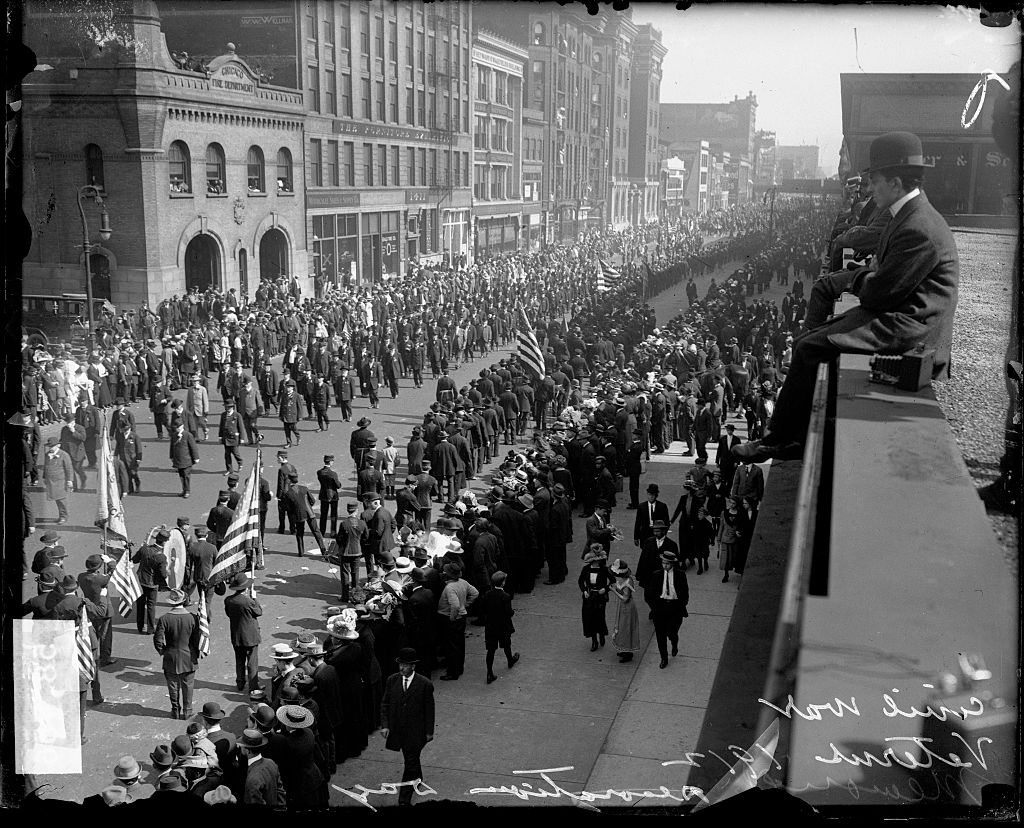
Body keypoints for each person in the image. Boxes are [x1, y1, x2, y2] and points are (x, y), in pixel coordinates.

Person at [737, 131, 959, 463]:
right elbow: (881, 280)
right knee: (809, 339)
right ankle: (789, 436)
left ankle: (782, 440)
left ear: (896, 183)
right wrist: (872, 276)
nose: (870, 188)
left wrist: (864, 278)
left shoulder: (918, 227)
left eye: (876, 181)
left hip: (912, 329)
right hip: (904, 313)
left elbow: (878, 293)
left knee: (808, 347)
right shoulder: (911, 216)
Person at [380, 648, 435, 807]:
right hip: (398, 731)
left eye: (405, 665)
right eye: (400, 664)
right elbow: (385, 703)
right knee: (411, 759)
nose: (401, 668)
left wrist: (429, 732)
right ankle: (418, 778)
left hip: (416, 732)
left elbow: (429, 710)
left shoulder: (424, 684)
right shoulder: (392, 680)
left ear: (413, 666)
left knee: (410, 761)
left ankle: (404, 798)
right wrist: (385, 725)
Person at [153, 588, 201, 720]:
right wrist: (196, 652)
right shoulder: (192, 618)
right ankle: (187, 711)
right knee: (188, 685)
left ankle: (175, 710)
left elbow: (158, 640)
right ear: (184, 601)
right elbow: (197, 639)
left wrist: (163, 651)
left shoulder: (164, 619)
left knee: (173, 685)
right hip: (188, 656)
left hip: (171, 655)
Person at [643, 551, 689, 669]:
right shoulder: (656, 575)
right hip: (660, 607)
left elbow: (685, 593)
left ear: (672, 564)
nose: (665, 566)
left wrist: (681, 605)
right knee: (660, 635)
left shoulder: (680, 575)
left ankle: (674, 643)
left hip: (675, 607)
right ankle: (664, 657)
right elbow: (649, 593)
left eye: (667, 564)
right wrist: (654, 607)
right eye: (663, 563)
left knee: (672, 632)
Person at [475, 570, 520, 684]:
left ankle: (489, 673)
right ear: (503, 583)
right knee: (506, 645)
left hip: (491, 626)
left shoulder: (487, 594)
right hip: (503, 626)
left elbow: (483, 608)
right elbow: (509, 612)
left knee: (491, 650)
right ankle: (510, 660)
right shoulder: (505, 596)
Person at [436, 563, 479, 681]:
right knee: (459, 643)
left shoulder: (450, 588)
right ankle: (459, 667)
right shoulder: (463, 582)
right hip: (461, 618)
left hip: (451, 619)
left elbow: (454, 605)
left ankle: (453, 672)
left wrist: (452, 617)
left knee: (451, 646)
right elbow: (475, 593)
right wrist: (465, 605)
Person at [224, 572, 262, 692]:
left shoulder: (229, 600)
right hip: (250, 636)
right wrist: (254, 598)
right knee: (252, 663)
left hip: (237, 635)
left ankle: (240, 683)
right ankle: (253, 686)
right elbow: (259, 612)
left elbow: (229, 614)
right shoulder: (248, 601)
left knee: (239, 661)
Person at [133, 529, 170, 634]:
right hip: (152, 583)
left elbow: (134, 560)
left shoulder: (144, 549)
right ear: (165, 542)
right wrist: (169, 570)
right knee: (151, 605)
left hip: (140, 580)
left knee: (140, 605)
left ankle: (140, 627)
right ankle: (150, 628)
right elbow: (163, 574)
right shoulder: (161, 556)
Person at [237, 729, 286, 808]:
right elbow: (280, 791)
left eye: (242, 745)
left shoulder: (253, 780)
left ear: (248, 751)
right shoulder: (271, 763)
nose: (240, 746)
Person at [282, 472, 327, 557]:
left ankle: (301, 552)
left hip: (299, 515)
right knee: (316, 531)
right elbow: (312, 500)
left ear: (289, 480)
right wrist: (309, 506)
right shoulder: (304, 489)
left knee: (299, 533)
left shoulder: (288, 493)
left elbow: (288, 508)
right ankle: (323, 550)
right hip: (309, 512)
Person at [578, 544, 610, 651]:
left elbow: (613, 581)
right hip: (589, 597)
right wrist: (584, 591)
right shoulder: (586, 569)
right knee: (589, 618)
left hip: (600, 598)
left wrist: (605, 589)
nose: (597, 562)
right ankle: (594, 641)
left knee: (599, 617)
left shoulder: (604, 569)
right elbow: (580, 581)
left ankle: (601, 634)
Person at [609, 559, 640, 663]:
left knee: (626, 628)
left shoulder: (627, 582)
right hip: (622, 607)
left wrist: (613, 591)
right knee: (622, 628)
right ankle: (623, 649)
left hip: (627, 608)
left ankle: (628, 653)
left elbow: (625, 599)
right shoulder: (622, 579)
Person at [718, 497, 750, 583]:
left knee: (735, 557)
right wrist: (719, 538)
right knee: (726, 558)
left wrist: (739, 532)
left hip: (736, 539)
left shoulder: (741, 513)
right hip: (725, 538)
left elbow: (742, 525)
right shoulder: (724, 513)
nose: (731, 505)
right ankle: (726, 574)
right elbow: (721, 526)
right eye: (730, 503)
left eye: (733, 503)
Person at [42, 437, 73, 523]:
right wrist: (45, 477)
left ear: (58, 445)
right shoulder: (47, 454)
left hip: (60, 481)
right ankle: (61, 515)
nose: (50, 448)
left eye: (52, 446)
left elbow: (69, 468)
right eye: (49, 447)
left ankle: (63, 516)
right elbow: (46, 466)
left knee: (62, 500)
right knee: (56, 499)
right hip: (51, 481)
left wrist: (69, 480)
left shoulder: (64, 455)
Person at [633, 483, 670, 547]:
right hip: (645, 533)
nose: (651, 497)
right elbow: (638, 523)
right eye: (649, 494)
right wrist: (636, 537)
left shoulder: (662, 506)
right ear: (647, 494)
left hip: (658, 533)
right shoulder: (642, 507)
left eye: (653, 495)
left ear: (656, 495)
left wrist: (663, 534)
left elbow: (666, 522)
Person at [169, 421, 199, 498]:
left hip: (187, 460)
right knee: (181, 476)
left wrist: (196, 457)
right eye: (176, 428)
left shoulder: (188, 435)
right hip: (178, 460)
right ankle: (184, 490)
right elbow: (172, 447)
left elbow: (193, 447)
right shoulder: (174, 435)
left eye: (178, 428)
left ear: (182, 426)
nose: (177, 430)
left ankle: (187, 491)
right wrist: (171, 456)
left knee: (186, 476)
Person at [317, 455, 341, 536]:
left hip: (323, 494)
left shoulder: (319, 472)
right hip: (333, 495)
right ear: (330, 462)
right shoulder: (333, 474)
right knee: (333, 515)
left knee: (323, 514)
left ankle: (322, 531)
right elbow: (338, 485)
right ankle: (333, 532)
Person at [218, 399, 244, 473]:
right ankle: (229, 469)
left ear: (232, 407)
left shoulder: (237, 415)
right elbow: (221, 426)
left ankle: (240, 462)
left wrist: (242, 438)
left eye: (229, 407)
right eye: (226, 407)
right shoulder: (223, 415)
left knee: (235, 453)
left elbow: (241, 427)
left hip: (234, 438)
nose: (227, 409)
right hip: (226, 437)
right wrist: (220, 437)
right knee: (227, 455)